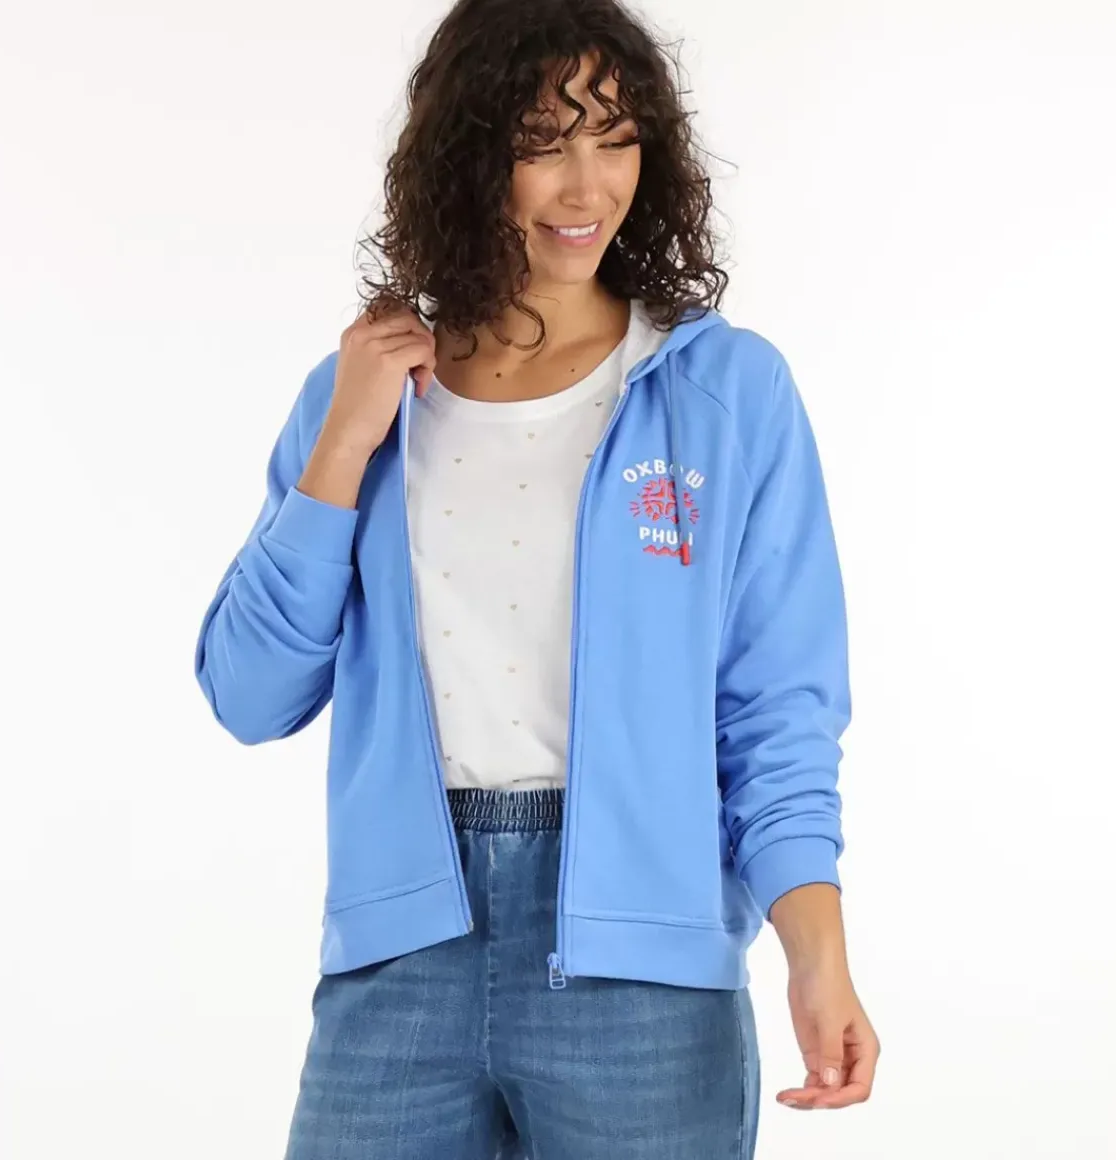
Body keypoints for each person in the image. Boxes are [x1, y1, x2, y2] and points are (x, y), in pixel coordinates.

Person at [194, 0, 880, 1155]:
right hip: (400, 948)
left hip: (642, 972)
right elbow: (249, 693)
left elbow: (775, 712)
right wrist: (341, 448)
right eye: (541, 141)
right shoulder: (361, 395)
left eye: (614, 138)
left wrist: (817, 954)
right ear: (468, 154)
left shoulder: (723, 394)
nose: (585, 185)